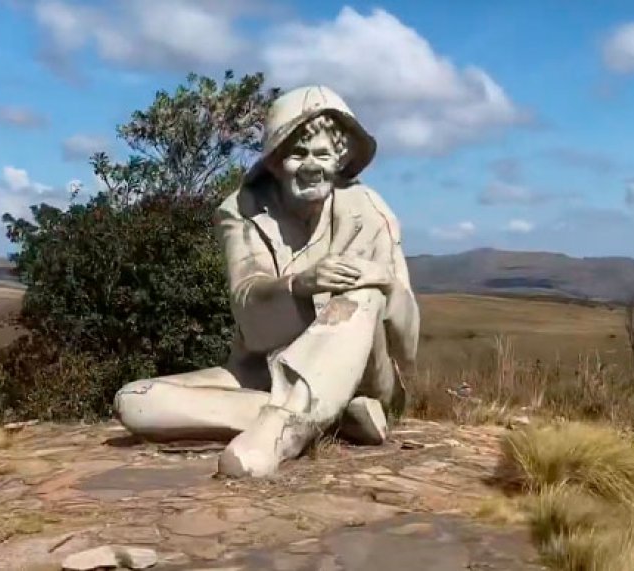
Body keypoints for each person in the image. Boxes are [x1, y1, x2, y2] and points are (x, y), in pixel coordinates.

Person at [113, 85, 419, 479]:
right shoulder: (240, 211)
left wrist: (387, 285)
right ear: (274, 162)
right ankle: (328, 416)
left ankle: (285, 429)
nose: (311, 167)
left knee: (360, 292)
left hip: (362, 376)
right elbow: (249, 309)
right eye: (297, 154)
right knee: (136, 400)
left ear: (340, 159)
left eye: (323, 154)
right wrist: (298, 285)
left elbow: (406, 348)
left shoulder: (370, 212)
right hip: (263, 371)